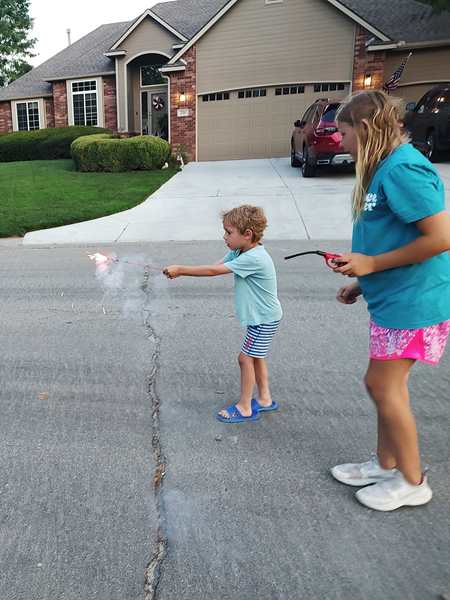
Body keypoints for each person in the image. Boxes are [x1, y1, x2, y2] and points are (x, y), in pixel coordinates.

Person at [331, 90, 450, 511]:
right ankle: (386, 464)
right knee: (382, 385)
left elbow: (441, 237)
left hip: (415, 302)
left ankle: (412, 481)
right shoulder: (383, 167)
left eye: (344, 132)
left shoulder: (403, 169)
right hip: (393, 298)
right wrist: (364, 280)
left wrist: (372, 264)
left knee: (383, 384)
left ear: (364, 128)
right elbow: (391, 236)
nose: (340, 140)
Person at [163, 205, 283, 424]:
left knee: (245, 358)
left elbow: (212, 271)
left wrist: (180, 269)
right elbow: (214, 266)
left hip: (263, 319)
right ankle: (265, 398)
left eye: (229, 232)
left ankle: (245, 407)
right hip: (263, 317)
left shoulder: (254, 258)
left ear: (247, 234)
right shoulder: (240, 251)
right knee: (256, 356)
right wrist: (182, 272)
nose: (224, 236)